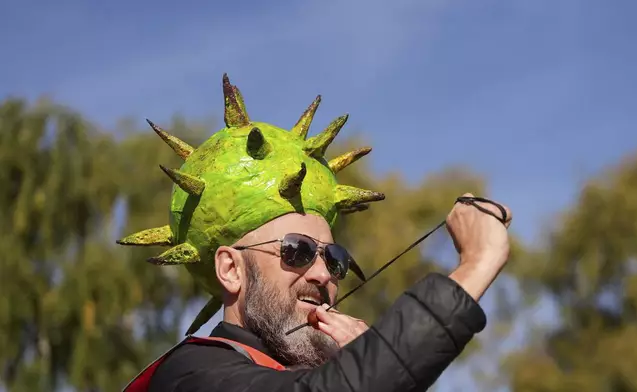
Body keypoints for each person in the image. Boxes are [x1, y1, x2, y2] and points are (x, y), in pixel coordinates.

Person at [117, 74, 512, 392]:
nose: (324, 275)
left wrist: (373, 364)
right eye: (297, 251)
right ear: (231, 269)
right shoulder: (192, 375)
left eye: (334, 258)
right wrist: (476, 265)